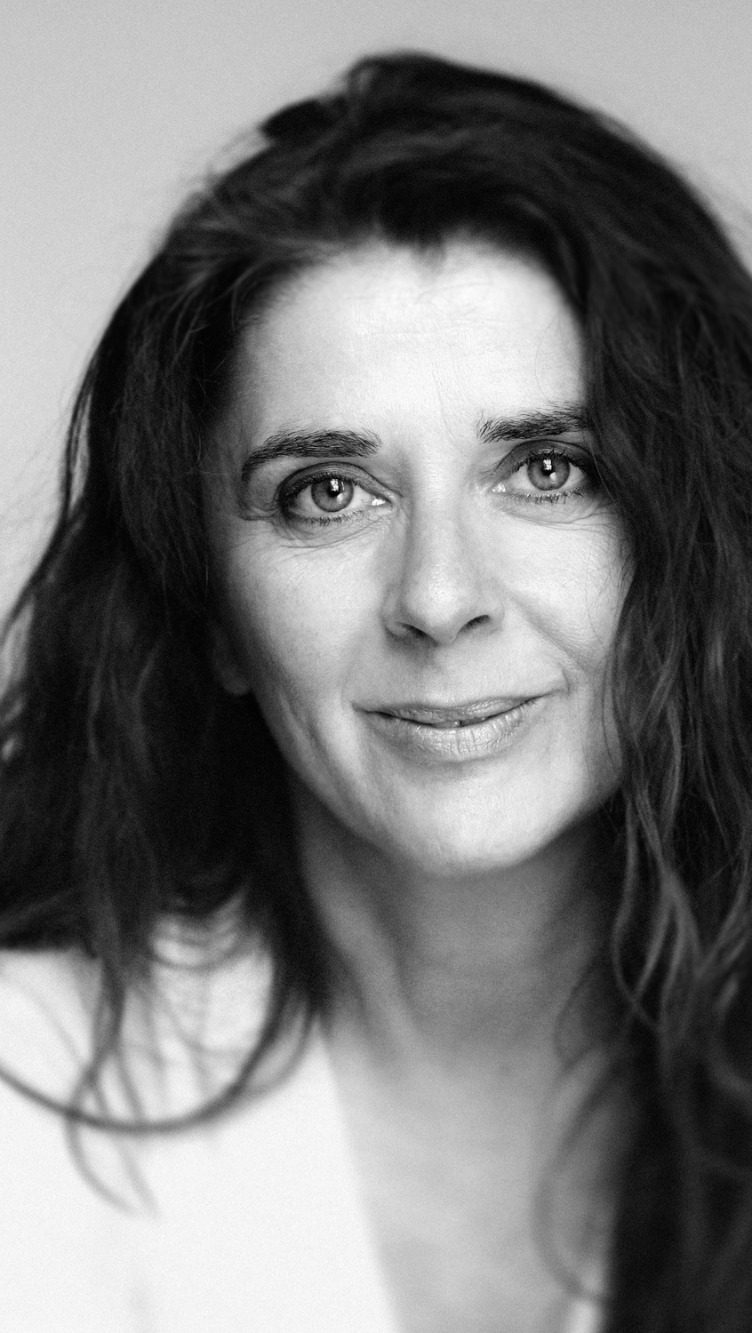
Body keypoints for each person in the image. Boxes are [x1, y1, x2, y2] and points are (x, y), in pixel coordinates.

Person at [1, 49, 751, 1333]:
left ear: (694, 537)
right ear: (211, 608)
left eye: (549, 469)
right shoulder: (25, 1098)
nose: (439, 595)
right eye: (327, 493)